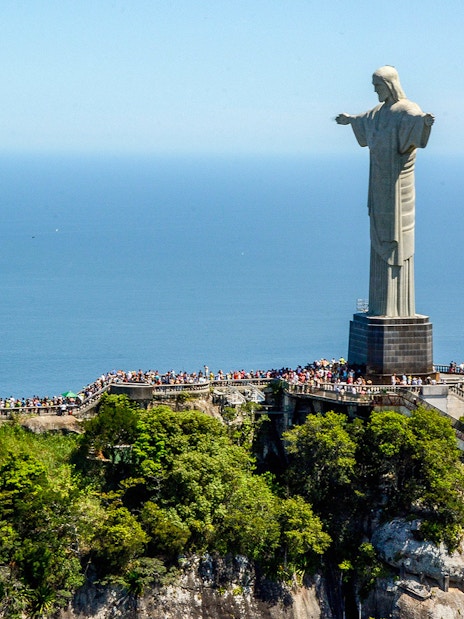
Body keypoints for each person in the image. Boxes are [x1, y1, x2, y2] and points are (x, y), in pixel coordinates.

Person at [336, 66, 434, 317]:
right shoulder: (378, 113)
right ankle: (382, 308)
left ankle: (398, 310)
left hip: (397, 187)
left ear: (389, 85)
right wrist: (350, 120)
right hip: (379, 186)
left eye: (377, 86)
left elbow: (416, 125)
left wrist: (424, 123)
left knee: (397, 240)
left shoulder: (406, 109)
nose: (375, 90)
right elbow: (364, 121)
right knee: (379, 235)